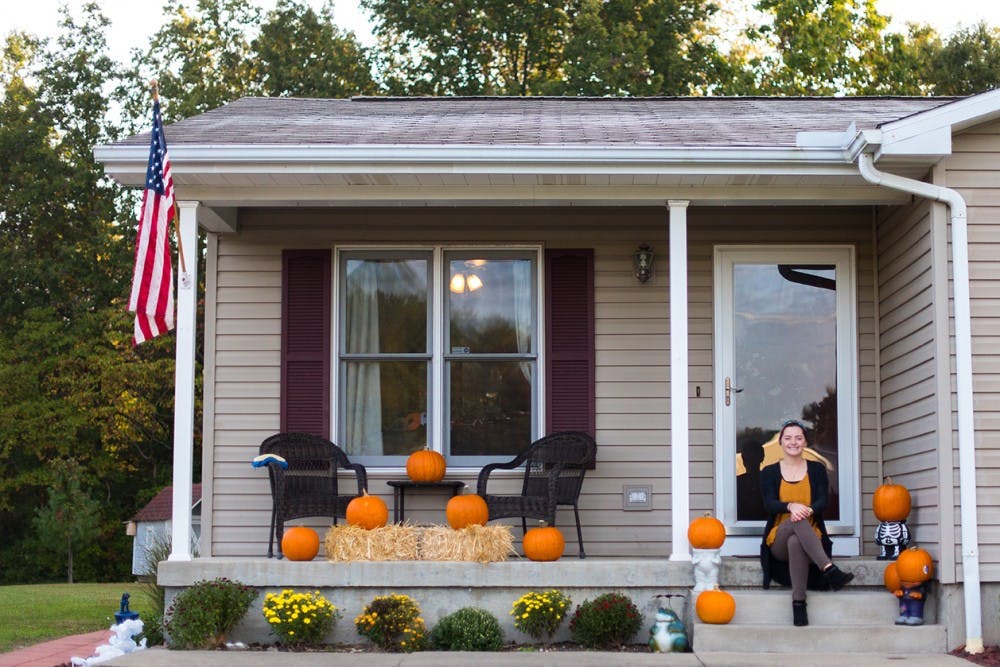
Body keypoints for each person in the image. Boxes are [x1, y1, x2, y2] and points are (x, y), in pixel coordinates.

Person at [760, 420, 854, 626]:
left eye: (798, 437)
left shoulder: (817, 469)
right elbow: (769, 504)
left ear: (805, 442)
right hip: (778, 539)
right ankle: (829, 569)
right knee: (795, 525)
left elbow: (822, 501)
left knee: (797, 541)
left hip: (811, 539)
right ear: (781, 443)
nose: (793, 442)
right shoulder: (769, 472)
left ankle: (799, 604)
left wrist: (809, 509)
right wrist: (791, 506)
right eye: (788, 438)